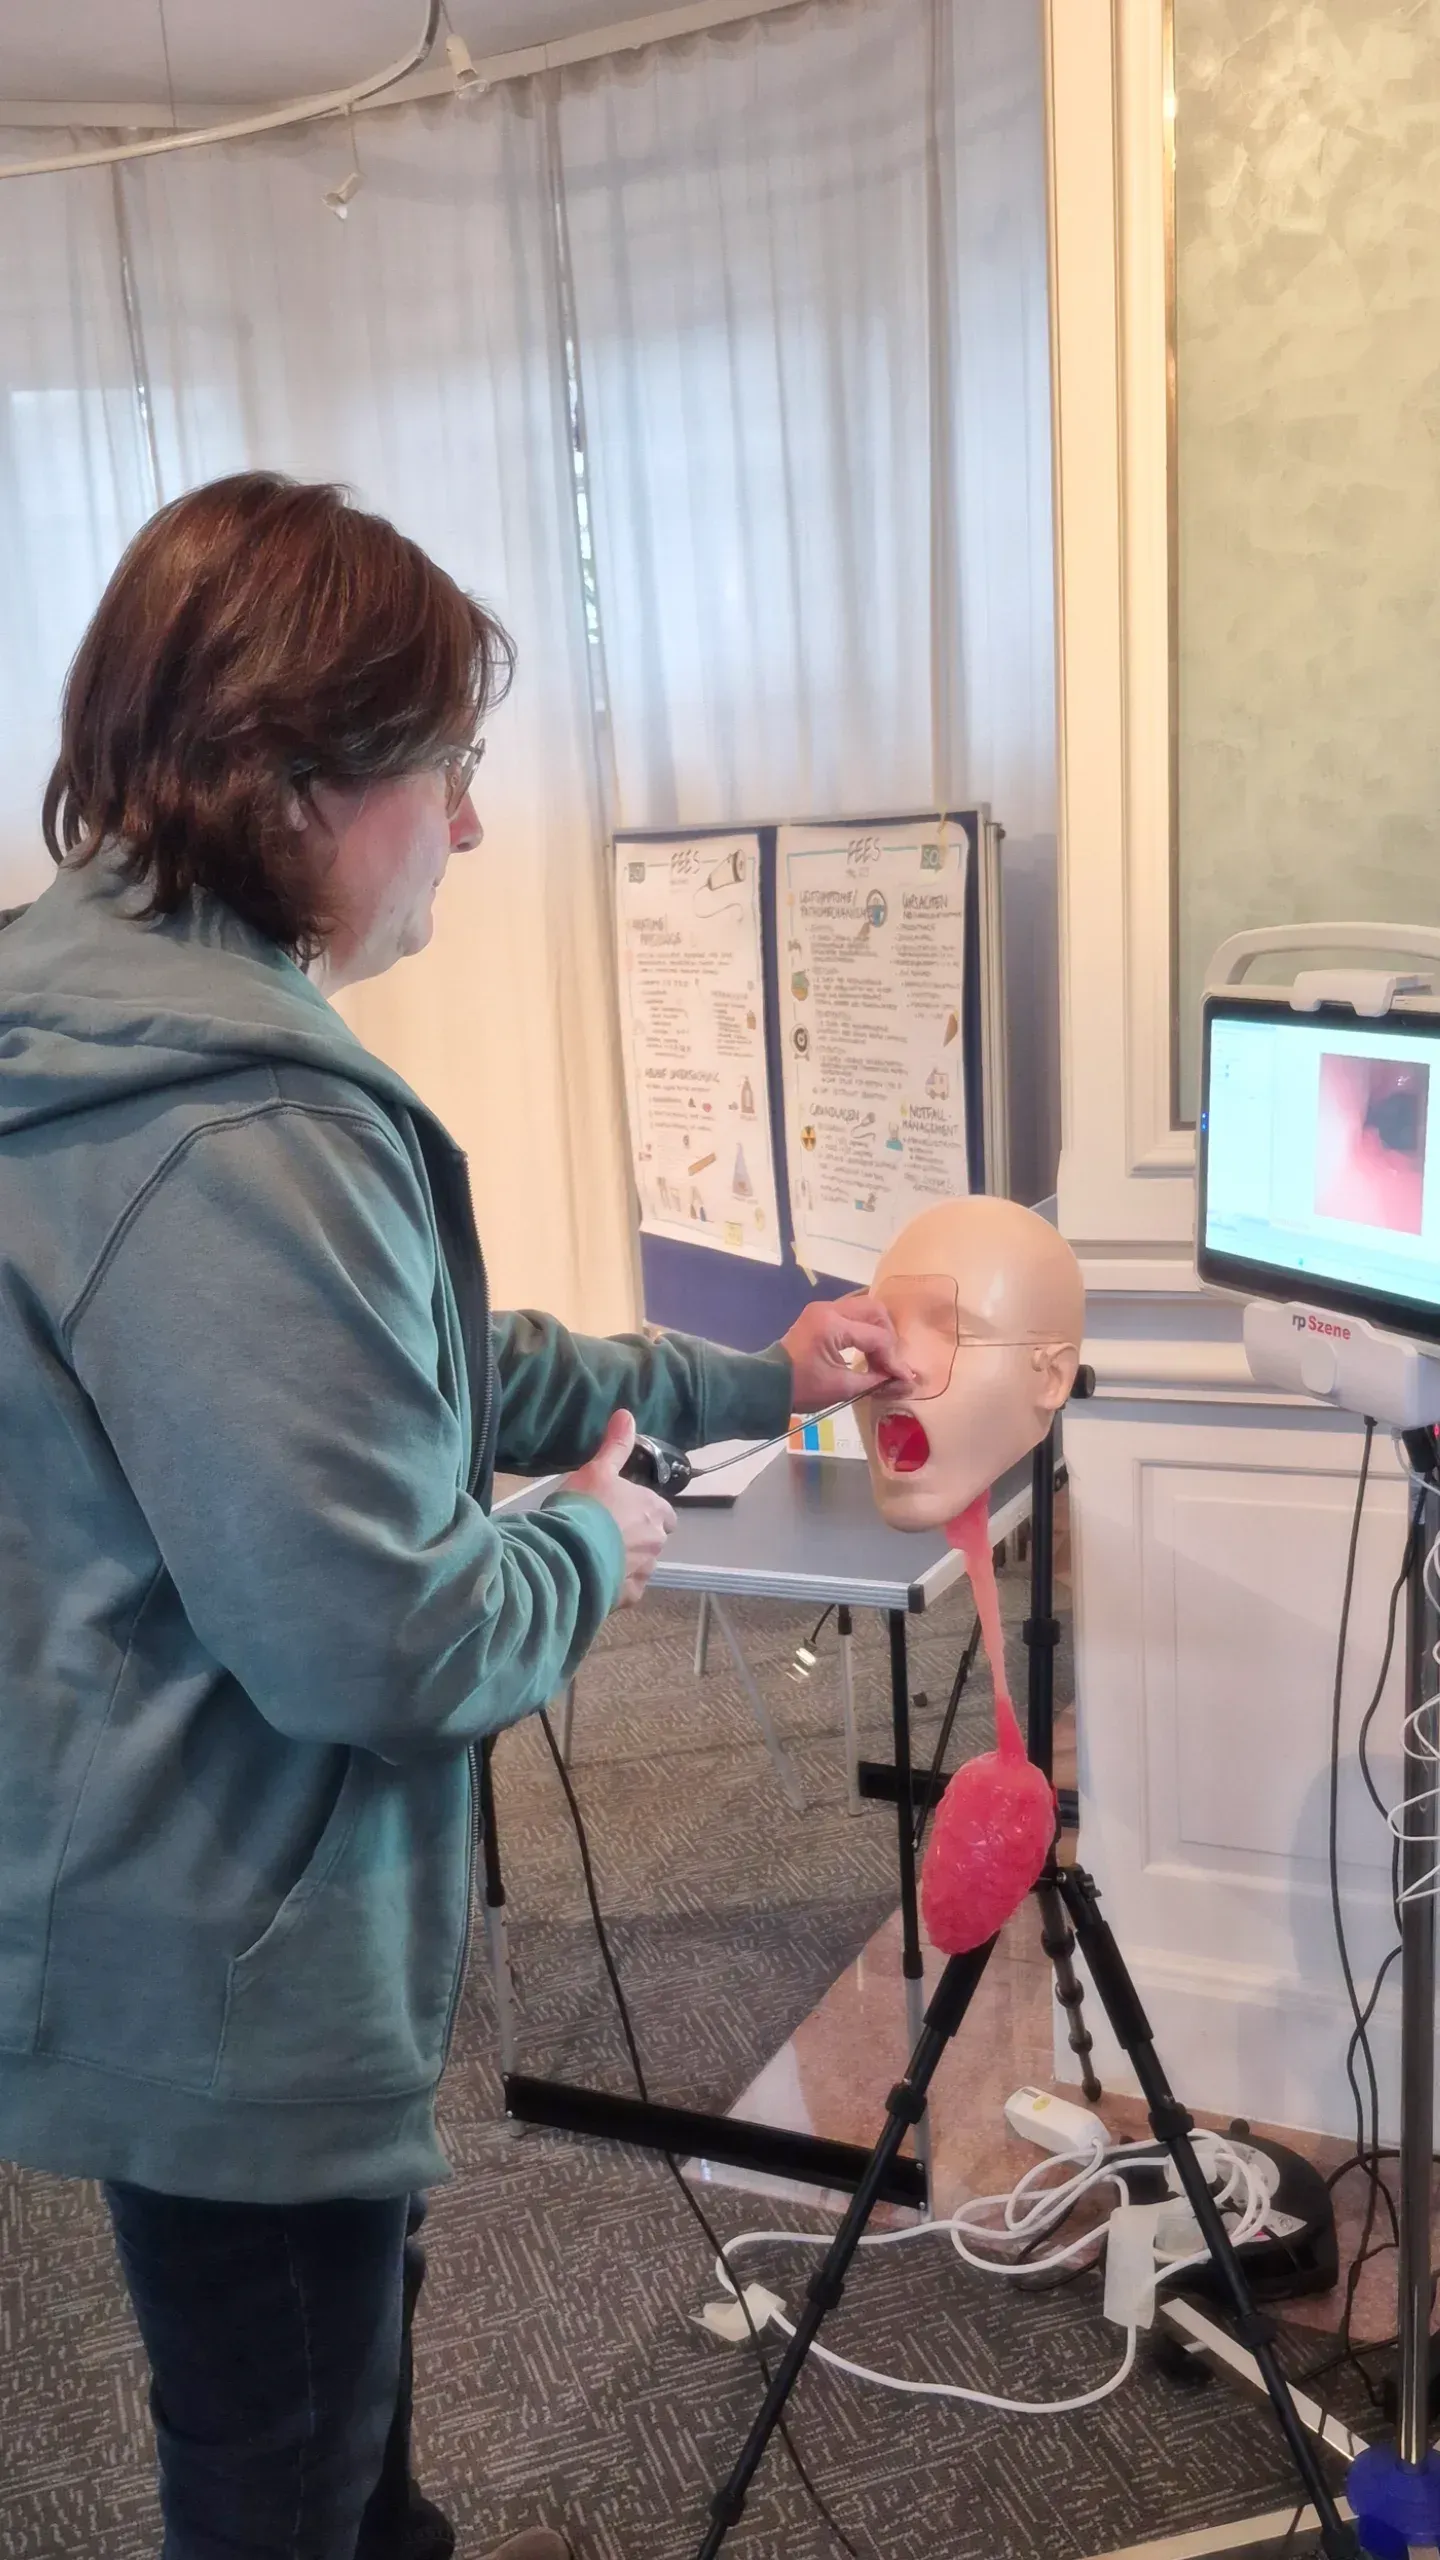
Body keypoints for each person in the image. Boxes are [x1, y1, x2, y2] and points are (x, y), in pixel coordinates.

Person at [0, 474, 908, 2560]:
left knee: (329, 2419)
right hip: (236, 1952)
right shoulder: (233, 1124)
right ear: (295, 778)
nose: (474, 828)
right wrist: (596, 1539)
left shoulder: (121, 1029)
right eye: (449, 769)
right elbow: (391, 1642)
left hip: (171, 1894)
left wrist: (763, 1375)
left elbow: (422, 1361)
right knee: (281, 2469)